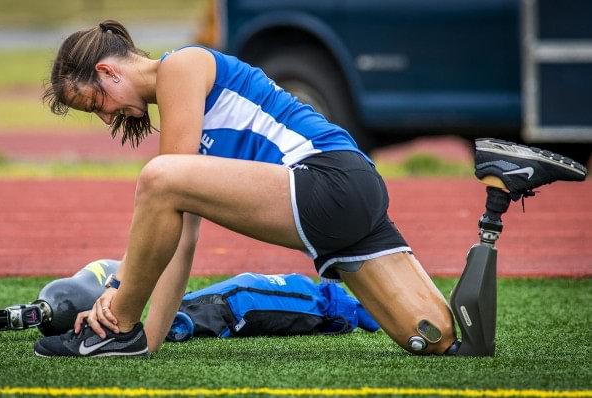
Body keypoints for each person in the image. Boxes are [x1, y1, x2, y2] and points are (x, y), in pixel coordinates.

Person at [33, 20, 587, 358]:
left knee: (156, 179)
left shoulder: (181, 66)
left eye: (95, 104)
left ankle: (116, 333)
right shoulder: (186, 109)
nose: (106, 118)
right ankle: (498, 194)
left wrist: (122, 301)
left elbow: (166, 185)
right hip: (352, 190)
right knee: (443, 338)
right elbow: (182, 231)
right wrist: (148, 343)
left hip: (326, 182)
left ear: (107, 72)